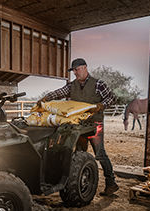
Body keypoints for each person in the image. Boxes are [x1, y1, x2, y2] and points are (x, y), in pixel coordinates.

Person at [38, 58, 119, 196]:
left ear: (85, 68)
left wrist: (101, 106)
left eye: (76, 69)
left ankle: (111, 183)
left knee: (100, 154)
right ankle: (78, 183)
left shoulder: (98, 84)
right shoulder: (72, 85)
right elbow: (59, 92)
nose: (75, 73)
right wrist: (46, 98)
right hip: (78, 125)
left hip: (94, 124)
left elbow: (111, 98)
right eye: (73, 70)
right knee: (79, 154)